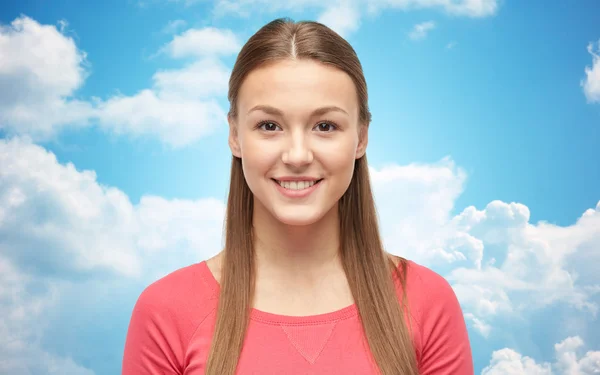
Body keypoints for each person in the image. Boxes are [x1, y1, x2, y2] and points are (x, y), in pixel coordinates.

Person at [122, 17, 474, 375]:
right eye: (269, 126)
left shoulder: (427, 302)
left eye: (325, 126)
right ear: (234, 135)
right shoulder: (166, 311)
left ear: (361, 137)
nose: (297, 155)